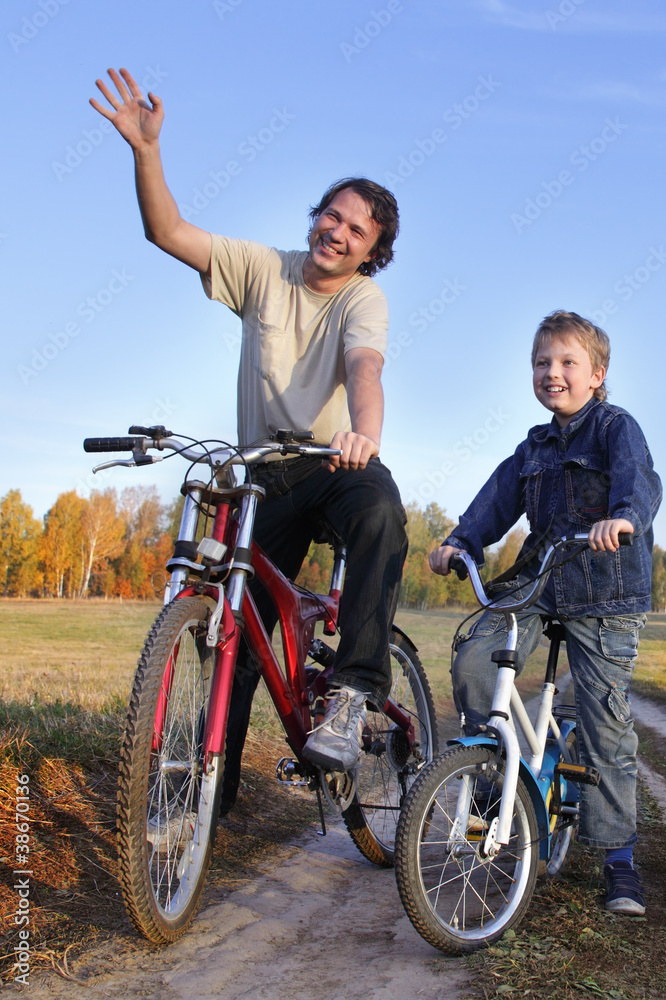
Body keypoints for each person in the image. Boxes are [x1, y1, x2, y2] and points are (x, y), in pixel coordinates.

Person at [91, 67, 408, 812]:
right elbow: (167, 232)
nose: (336, 231)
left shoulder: (364, 298)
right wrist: (145, 151)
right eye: (331, 216)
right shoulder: (265, 269)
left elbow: (365, 366)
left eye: (356, 229)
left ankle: (355, 692)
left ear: (371, 253)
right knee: (232, 638)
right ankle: (205, 801)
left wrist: (366, 434)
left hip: (330, 462)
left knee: (381, 508)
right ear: (315, 220)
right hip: (260, 476)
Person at [428, 310, 662, 915]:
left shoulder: (615, 428)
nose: (551, 373)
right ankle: (490, 782)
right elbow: (496, 501)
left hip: (605, 590)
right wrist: (461, 541)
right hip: (539, 582)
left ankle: (618, 859)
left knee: (605, 720)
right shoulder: (532, 447)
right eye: (541, 362)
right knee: (477, 662)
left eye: (566, 363)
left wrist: (624, 517)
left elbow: (641, 481)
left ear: (597, 374)